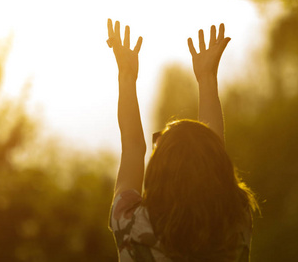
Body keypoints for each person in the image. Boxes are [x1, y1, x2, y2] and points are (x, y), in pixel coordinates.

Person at [107, 19, 258, 261]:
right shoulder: (234, 222)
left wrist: (126, 76)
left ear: (158, 171)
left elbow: (133, 147)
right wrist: (207, 78)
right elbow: (210, 158)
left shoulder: (132, 224)